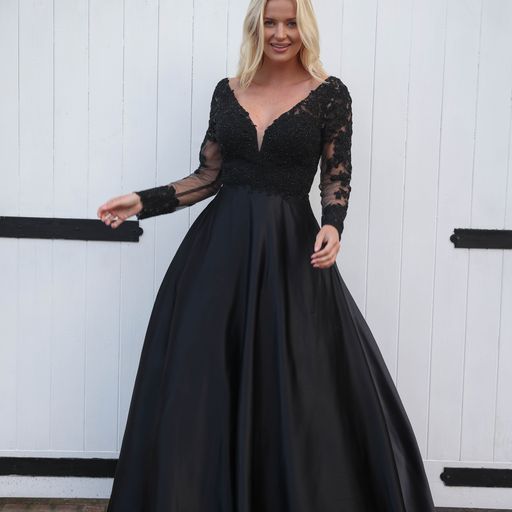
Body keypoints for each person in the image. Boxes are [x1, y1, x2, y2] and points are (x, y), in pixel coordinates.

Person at [97, 0, 436, 510]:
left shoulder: (330, 95)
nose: (280, 33)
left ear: (305, 27)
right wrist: (142, 202)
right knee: (203, 380)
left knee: (296, 385)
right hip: (217, 257)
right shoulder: (227, 91)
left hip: (290, 257)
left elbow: (336, 177)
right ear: (256, 26)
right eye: (271, 22)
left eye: (291, 22)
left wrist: (333, 226)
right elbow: (207, 177)